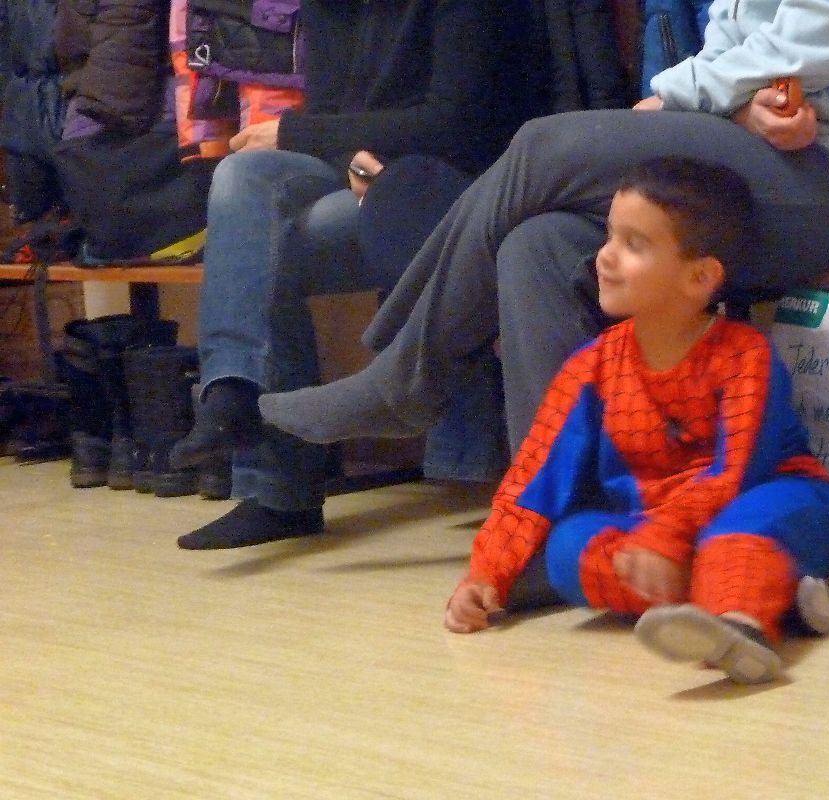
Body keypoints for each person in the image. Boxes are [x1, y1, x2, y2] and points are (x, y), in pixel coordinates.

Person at [256, 0, 829, 463]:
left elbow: (808, 42)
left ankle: (404, 376)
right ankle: (554, 516)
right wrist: (737, 109)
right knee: (539, 242)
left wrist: (668, 101)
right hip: (782, 167)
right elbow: (738, 51)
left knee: (547, 146)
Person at [443, 157, 829, 685]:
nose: (605, 256)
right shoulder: (591, 367)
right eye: (610, 235)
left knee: (742, 529)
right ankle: (765, 598)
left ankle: (742, 628)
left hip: (765, 505)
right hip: (656, 529)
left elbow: (735, 474)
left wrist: (668, 538)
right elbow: (534, 478)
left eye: (633, 244)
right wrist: (485, 573)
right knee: (568, 548)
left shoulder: (745, 356)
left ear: (700, 277)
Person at [167, 0, 546, 549]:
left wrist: (304, 135)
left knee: (264, 245)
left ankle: (276, 481)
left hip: (455, 184)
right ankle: (233, 392)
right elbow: (333, 117)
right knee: (243, 178)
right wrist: (350, 157)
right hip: (361, 174)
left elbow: (459, 124)